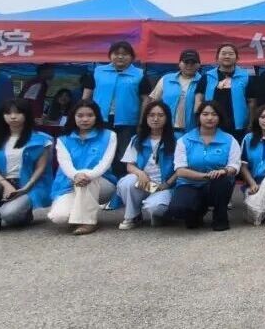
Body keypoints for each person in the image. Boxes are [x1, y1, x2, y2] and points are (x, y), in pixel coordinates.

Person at [0, 99, 53, 233]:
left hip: (28, 186)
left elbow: (41, 168)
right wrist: (6, 185)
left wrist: (26, 187)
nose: (13, 117)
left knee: (9, 215)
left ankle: (22, 213)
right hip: (2, 183)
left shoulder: (41, 139)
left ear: (26, 115)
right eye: (8, 113)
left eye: (18, 113)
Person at [167, 102, 241, 231]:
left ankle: (220, 217)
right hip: (190, 184)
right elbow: (180, 171)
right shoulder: (184, 140)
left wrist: (223, 171)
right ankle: (198, 211)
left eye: (214, 114)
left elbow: (234, 165)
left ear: (219, 117)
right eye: (205, 114)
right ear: (198, 117)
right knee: (179, 210)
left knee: (222, 181)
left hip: (217, 185)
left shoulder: (230, 140)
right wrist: (205, 176)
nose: (210, 118)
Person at [81, 41, 152, 177]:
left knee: (124, 154)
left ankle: (121, 183)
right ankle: (98, 180)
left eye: (125, 54)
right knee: (99, 151)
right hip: (100, 120)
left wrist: (142, 122)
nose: (120, 57)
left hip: (128, 122)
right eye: (116, 54)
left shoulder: (139, 75)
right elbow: (85, 97)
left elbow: (146, 100)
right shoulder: (98, 72)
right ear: (110, 55)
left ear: (132, 57)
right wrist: (85, 117)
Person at [47, 100, 118, 235]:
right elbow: (65, 163)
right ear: (73, 117)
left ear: (97, 116)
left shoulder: (109, 135)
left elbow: (105, 163)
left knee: (86, 175)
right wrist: (76, 175)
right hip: (69, 184)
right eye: (80, 115)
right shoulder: (63, 139)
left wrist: (86, 175)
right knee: (59, 217)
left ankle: (88, 222)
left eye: (90, 115)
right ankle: (82, 213)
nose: (85, 119)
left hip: (101, 183)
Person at [116, 101, 178, 229]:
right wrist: (140, 173)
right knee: (126, 182)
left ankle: (160, 214)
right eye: (151, 115)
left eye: (160, 115)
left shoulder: (177, 140)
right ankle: (133, 216)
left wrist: (167, 184)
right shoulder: (137, 139)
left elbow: (181, 169)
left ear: (167, 118)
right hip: (146, 184)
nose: (155, 119)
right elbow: (130, 165)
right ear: (145, 118)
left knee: (155, 208)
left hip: (165, 186)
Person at [199, 44, 255, 139]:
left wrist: (251, 123)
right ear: (217, 57)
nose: (227, 56)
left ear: (237, 58)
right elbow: (199, 100)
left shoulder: (246, 77)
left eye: (231, 54)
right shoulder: (207, 77)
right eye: (224, 53)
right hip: (211, 124)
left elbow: (252, 102)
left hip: (238, 127)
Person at [149, 49, 203, 136]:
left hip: (193, 133)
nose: (189, 65)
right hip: (165, 131)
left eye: (193, 63)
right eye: (186, 62)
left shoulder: (204, 81)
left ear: (199, 65)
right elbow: (153, 103)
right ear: (179, 63)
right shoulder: (166, 79)